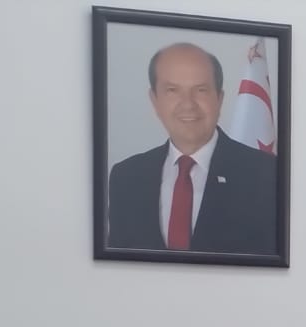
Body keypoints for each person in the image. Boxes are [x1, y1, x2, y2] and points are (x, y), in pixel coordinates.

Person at [107, 43, 277, 255]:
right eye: (172, 91)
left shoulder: (267, 174)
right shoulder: (126, 177)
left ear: (219, 99)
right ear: (154, 100)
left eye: (201, 90)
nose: (188, 104)